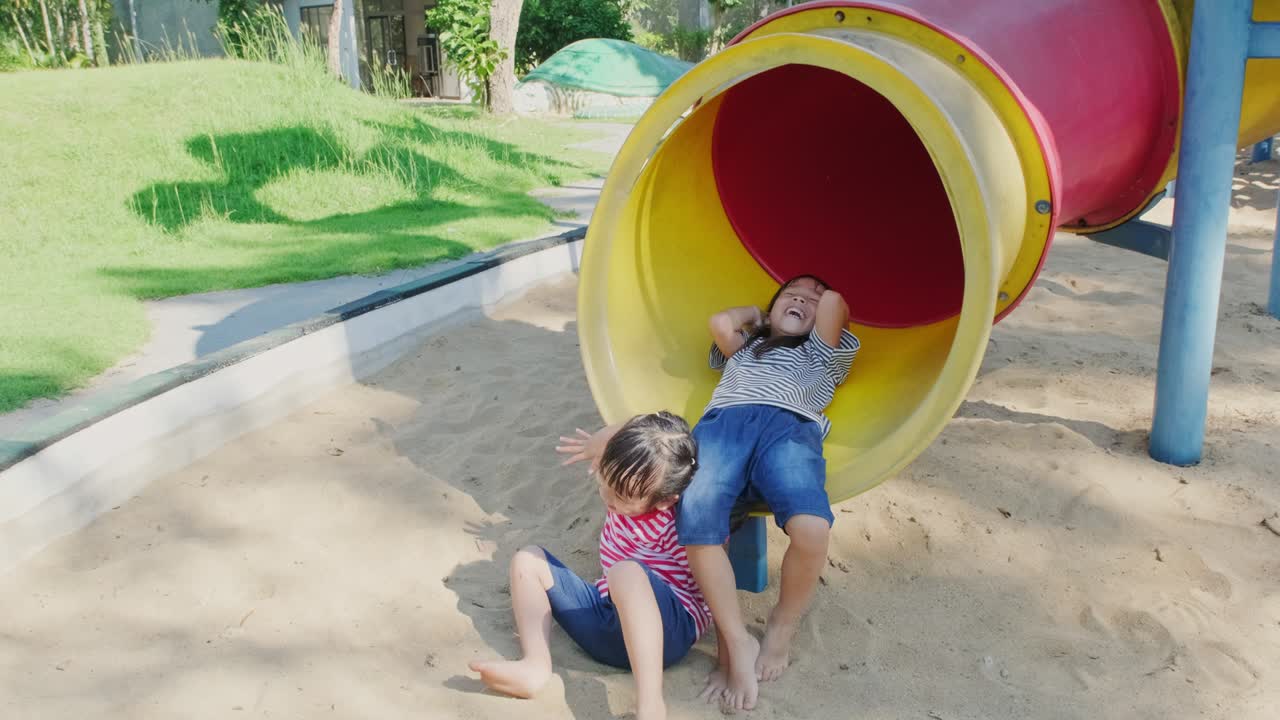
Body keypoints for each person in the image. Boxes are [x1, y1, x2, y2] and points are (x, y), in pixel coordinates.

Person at [678, 274, 860, 711]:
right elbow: (721, 323)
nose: (803, 298)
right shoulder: (746, 350)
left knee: (812, 529)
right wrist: (757, 316)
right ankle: (735, 640)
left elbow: (835, 299)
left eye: (811, 299)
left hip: (789, 430)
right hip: (726, 424)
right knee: (697, 515)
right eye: (791, 295)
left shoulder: (822, 352)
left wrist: (814, 301)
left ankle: (782, 623)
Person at [468, 412, 711, 720]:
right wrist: (603, 439)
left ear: (665, 500)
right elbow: (638, 430)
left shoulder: (678, 519)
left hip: (667, 634)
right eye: (603, 479)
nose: (607, 495)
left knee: (626, 572)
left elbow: (709, 571)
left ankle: (650, 705)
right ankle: (535, 665)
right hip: (607, 626)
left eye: (621, 494)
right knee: (527, 559)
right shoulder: (628, 473)